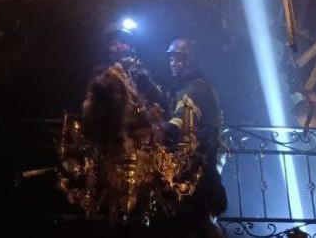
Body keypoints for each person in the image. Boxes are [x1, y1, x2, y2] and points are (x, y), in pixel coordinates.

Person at [163, 39, 227, 237]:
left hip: (199, 164)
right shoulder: (182, 88)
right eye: (172, 58)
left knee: (198, 220)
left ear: (193, 60)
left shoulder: (196, 89)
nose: (174, 63)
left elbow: (184, 115)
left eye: (180, 59)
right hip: (191, 163)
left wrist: (163, 130)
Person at [95, 24, 167, 109]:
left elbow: (156, 97)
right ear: (107, 49)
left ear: (130, 46)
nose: (119, 46)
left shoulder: (140, 71)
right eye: (113, 44)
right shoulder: (101, 72)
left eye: (123, 42)